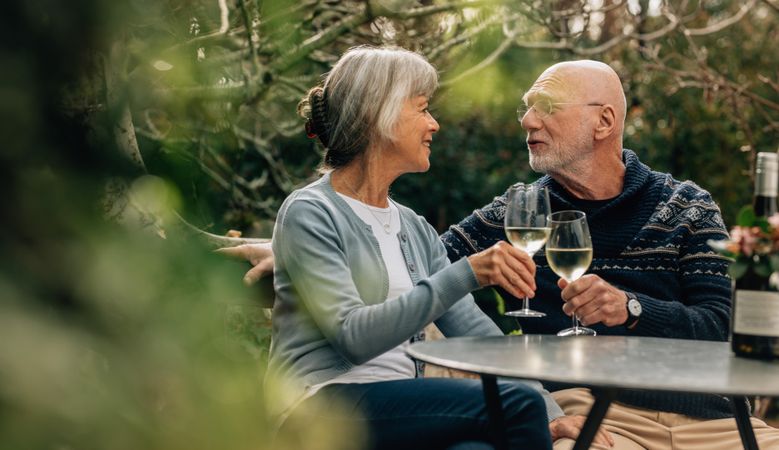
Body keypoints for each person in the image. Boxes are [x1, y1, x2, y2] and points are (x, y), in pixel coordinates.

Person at [223, 59, 779, 448]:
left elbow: (725, 328)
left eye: (547, 107)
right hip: (591, 405)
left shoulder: (686, 206)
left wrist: (633, 310)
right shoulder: (516, 212)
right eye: (525, 108)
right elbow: (412, 277)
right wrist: (288, 251)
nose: (528, 122)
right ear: (379, 116)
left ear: (604, 121)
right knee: (525, 424)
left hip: (712, 416)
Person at [260, 45, 556, 450]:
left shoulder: (413, 227)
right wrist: (468, 272)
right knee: (515, 406)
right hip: (318, 408)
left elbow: (474, 333)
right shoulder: (310, 212)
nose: (434, 124)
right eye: (422, 108)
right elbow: (353, 336)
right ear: (377, 115)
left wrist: (553, 412)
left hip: (399, 411)